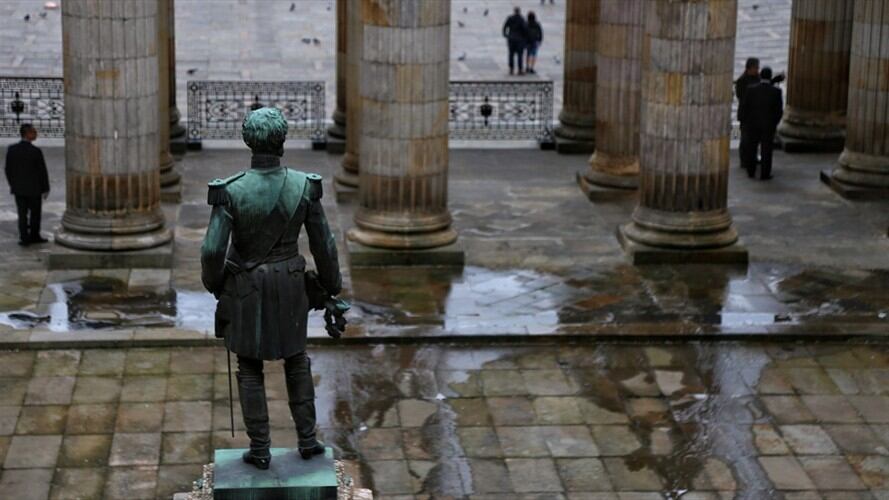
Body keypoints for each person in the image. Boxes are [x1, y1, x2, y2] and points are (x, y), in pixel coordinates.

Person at [201, 107, 344, 469]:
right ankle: (308, 440)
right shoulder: (304, 186)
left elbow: (212, 250)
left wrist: (216, 284)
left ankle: (260, 448)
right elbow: (324, 244)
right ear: (282, 141)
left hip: (247, 287)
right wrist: (330, 286)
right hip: (292, 282)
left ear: (248, 141)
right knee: (296, 360)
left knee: (249, 367)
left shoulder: (230, 191)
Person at [4, 123, 50, 246]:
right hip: (34, 189)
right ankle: (34, 235)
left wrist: (13, 184)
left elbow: (8, 169)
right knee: (35, 214)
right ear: (28, 134)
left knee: (22, 214)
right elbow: (42, 171)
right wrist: (45, 188)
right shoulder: (35, 151)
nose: (36, 134)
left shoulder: (12, 149)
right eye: (34, 132)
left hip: (19, 188)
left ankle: (24, 237)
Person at [738, 66, 783, 180]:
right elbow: (779, 111)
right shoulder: (776, 92)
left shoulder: (751, 89)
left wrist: (747, 122)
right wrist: (774, 123)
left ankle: (751, 172)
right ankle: (765, 174)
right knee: (766, 150)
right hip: (768, 126)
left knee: (752, 148)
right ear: (770, 76)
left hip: (753, 125)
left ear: (761, 76)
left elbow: (745, 106)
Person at [735, 58, 760, 169]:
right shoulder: (741, 81)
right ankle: (744, 160)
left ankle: (752, 158)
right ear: (749, 68)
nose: (757, 70)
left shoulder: (758, 78)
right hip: (746, 114)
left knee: (754, 139)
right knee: (745, 139)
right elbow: (741, 96)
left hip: (755, 114)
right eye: (756, 67)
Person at [503, 6, 528, 75]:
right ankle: (520, 70)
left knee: (511, 54)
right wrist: (525, 38)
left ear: (514, 11)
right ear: (519, 11)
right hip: (519, 40)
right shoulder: (521, 19)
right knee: (520, 55)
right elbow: (525, 29)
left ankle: (511, 69)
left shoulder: (510, 18)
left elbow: (505, 26)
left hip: (511, 39)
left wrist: (505, 35)